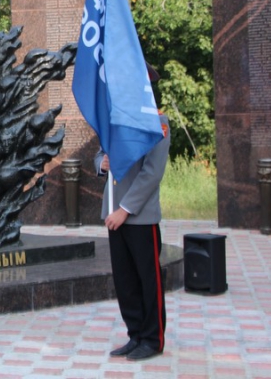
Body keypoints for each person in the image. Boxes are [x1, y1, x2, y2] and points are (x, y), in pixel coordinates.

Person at [94, 64, 171, 361]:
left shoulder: (157, 123)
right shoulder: (115, 121)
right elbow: (100, 154)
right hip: (113, 213)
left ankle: (152, 339)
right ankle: (135, 334)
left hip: (138, 216)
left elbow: (152, 174)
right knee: (125, 281)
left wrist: (124, 211)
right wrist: (101, 163)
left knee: (147, 280)